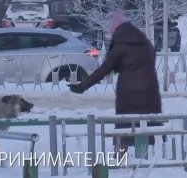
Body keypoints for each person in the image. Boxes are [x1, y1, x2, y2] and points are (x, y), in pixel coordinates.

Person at [68, 12, 163, 155]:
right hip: (150, 92)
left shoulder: (120, 47)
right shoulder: (146, 43)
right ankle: (146, 161)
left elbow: (104, 70)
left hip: (128, 95)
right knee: (147, 126)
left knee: (124, 127)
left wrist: (82, 86)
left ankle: (120, 158)